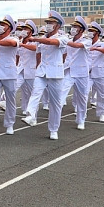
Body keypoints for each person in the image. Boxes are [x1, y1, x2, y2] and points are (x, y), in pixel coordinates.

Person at [21, 11, 69, 140]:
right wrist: (37, 66)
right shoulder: (42, 38)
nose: (48, 25)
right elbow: (38, 52)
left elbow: (51, 43)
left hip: (55, 73)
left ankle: (53, 129)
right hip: (42, 71)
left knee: (55, 103)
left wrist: (36, 39)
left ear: (58, 25)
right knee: (35, 93)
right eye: (47, 22)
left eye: (51, 23)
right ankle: (31, 115)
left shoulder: (63, 37)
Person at [62, 16, 91, 130]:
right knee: (61, 93)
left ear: (81, 30)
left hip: (81, 72)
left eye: (76, 27)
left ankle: (81, 120)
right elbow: (64, 53)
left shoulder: (86, 40)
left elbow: (77, 46)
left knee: (82, 97)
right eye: (73, 26)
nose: (73, 28)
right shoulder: (69, 39)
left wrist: (64, 40)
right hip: (69, 71)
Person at [87, 22, 104, 122]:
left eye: (92, 31)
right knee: (83, 93)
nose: (90, 33)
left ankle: (101, 114)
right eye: (89, 31)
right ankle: (81, 114)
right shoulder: (86, 42)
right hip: (87, 72)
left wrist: (96, 48)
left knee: (101, 94)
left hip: (100, 72)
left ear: (97, 33)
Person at [15, 21, 38, 115]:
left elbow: (35, 48)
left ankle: (32, 114)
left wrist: (23, 45)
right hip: (20, 70)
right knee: (13, 86)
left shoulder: (35, 41)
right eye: (22, 29)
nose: (23, 31)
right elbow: (17, 55)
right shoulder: (19, 41)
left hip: (31, 71)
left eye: (25, 29)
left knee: (31, 93)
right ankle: (3, 101)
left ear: (31, 32)